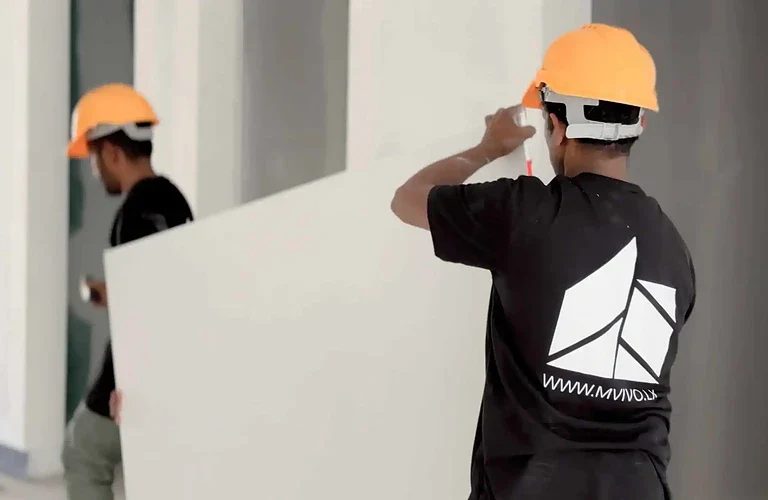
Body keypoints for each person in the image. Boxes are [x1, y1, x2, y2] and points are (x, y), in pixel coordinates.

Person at [391, 24, 695, 500]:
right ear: (640, 124)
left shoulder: (524, 213)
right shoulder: (673, 248)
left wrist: (488, 148)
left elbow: (408, 200)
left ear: (557, 125)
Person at [62, 83, 194, 500]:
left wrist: (131, 385)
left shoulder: (136, 211)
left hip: (140, 374)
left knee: (83, 449)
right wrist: (112, 291)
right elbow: (168, 288)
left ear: (113, 154)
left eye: (95, 159)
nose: (95, 170)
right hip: (175, 365)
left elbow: (148, 307)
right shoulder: (174, 199)